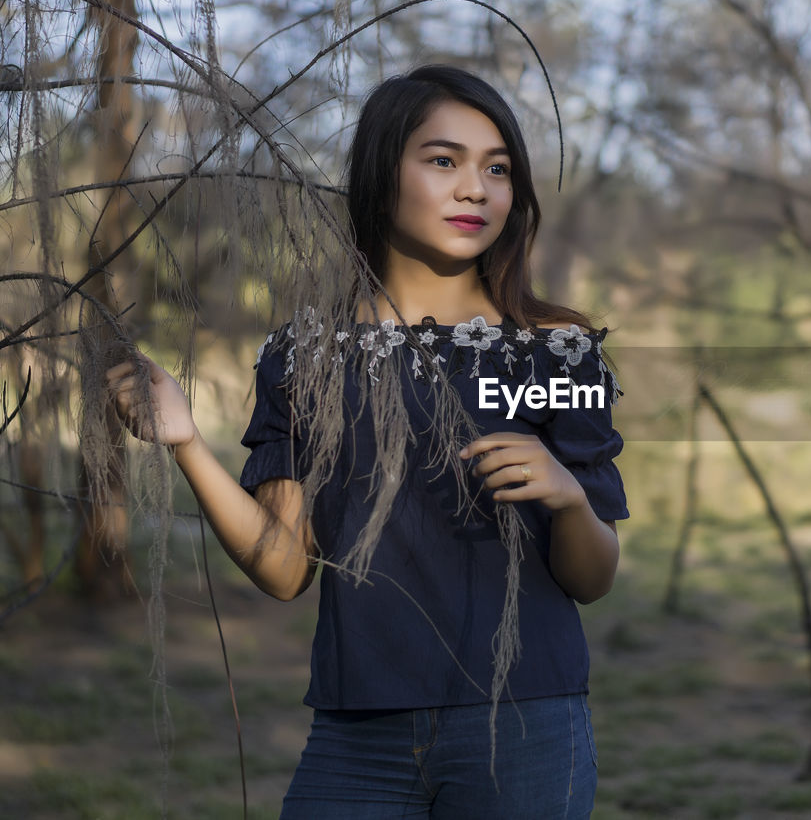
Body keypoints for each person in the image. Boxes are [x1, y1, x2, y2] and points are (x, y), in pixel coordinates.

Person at [106, 64, 627, 818]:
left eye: (498, 169)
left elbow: (593, 576)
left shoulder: (556, 350)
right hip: (357, 734)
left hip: (523, 729)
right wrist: (186, 441)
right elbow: (285, 569)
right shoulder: (305, 355)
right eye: (444, 160)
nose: (476, 189)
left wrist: (570, 497)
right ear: (383, 171)